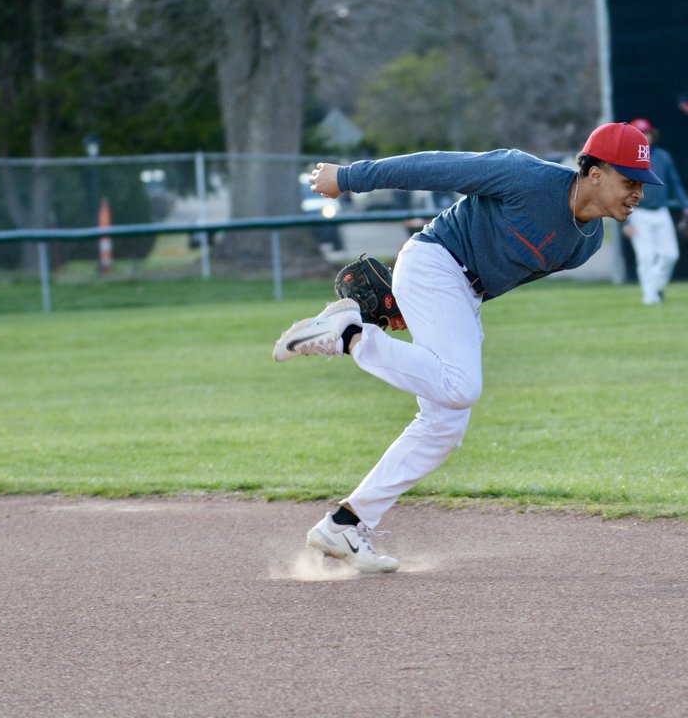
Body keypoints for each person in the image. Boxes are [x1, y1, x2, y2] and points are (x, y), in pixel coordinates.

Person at [271, 123, 664, 573]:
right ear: (595, 172)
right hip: (435, 260)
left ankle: (346, 522)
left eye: (642, 184)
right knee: (461, 386)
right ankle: (346, 335)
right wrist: (348, 177)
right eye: (630, 181)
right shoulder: (527, 177)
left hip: (462, 293)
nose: (638, 193)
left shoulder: (585, 243)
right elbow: (435, 167)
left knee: (444, 426)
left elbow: (498, 275)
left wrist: (417, 310)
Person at [622, 117, 688, 305]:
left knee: (670, 255)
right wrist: (625, 221)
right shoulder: (626, 161)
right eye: (639, 135)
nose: (644, 137)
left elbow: (675, 184)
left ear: (653, 134)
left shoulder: (663, 156)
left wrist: (686, 208)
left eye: (646, 133)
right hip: (638, 214)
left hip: (661, 211)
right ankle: (650, 298)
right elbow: (619, 193)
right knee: (646, 256)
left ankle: (654, 288)